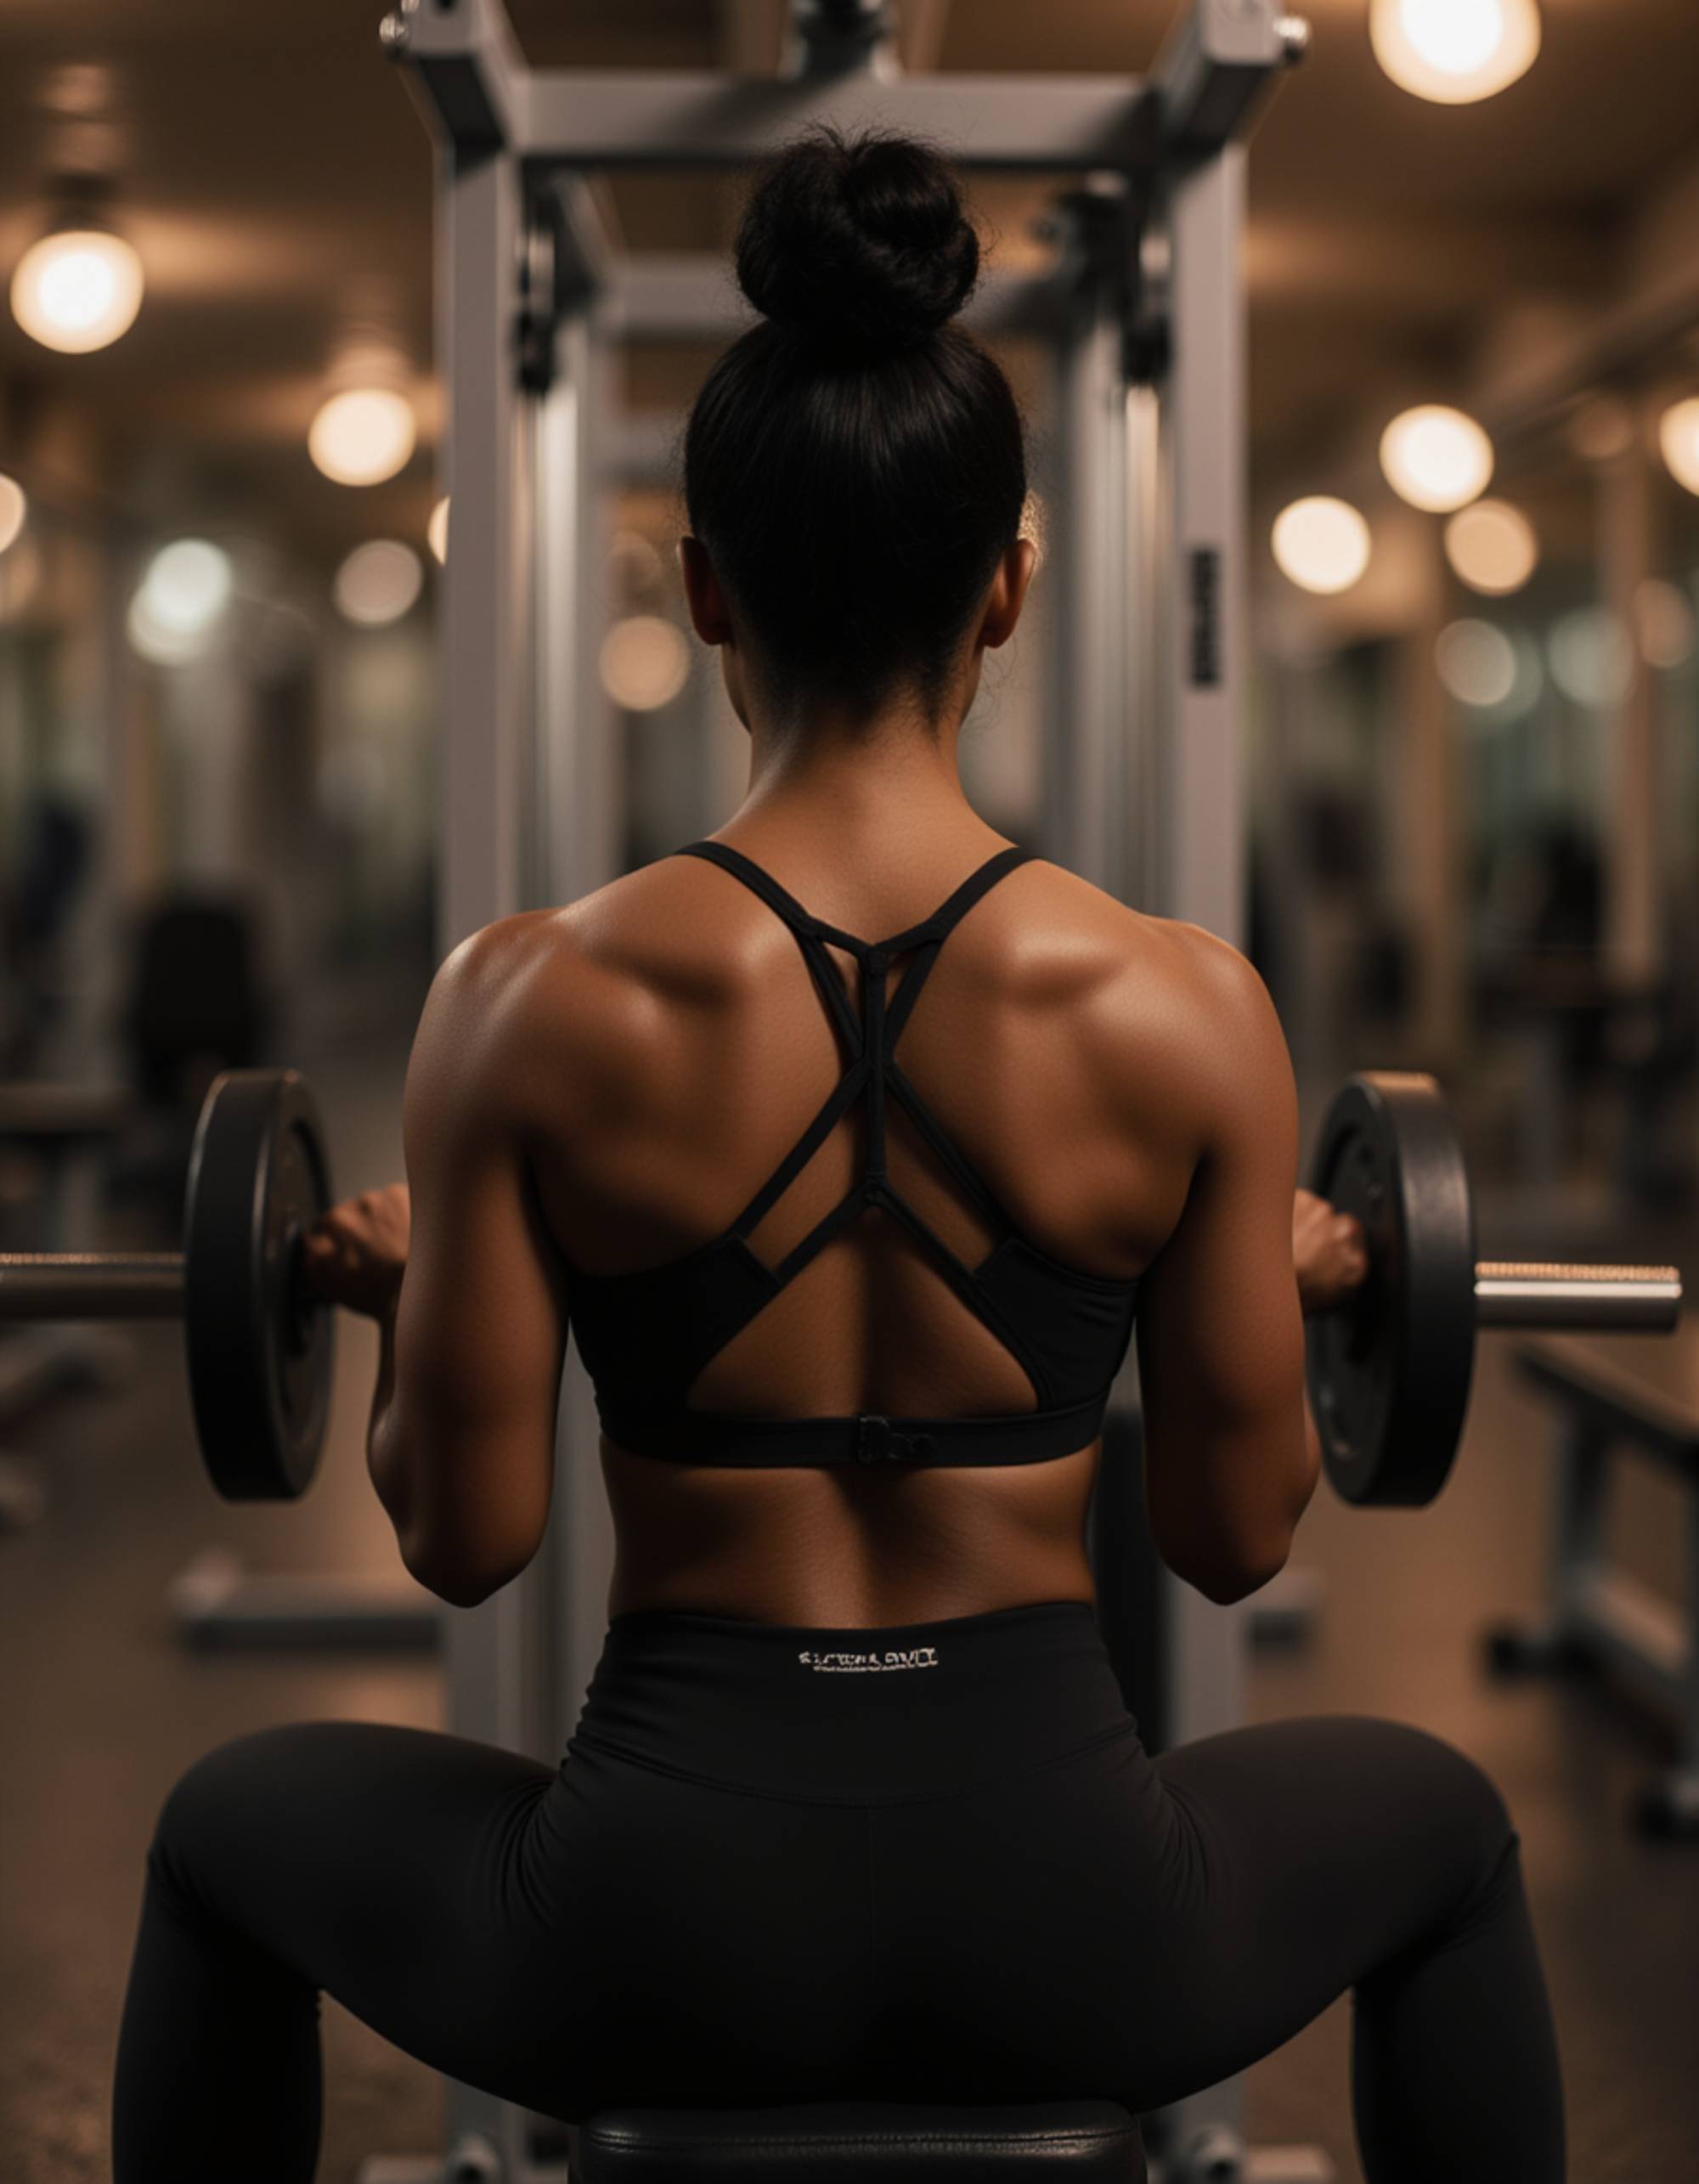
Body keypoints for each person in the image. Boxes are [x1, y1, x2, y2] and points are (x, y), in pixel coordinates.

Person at [110, 128, 1564, 2183]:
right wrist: (1257, 1275)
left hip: (647, 1924)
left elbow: (461, 1535)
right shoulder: (1185, 1005)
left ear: (700, 583)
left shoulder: (523, 998)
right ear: (1013, 581)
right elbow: (1238, 1536)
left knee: (220, 1831)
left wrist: (430, 1285)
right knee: (1448, 1824)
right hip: (1076, 1914)